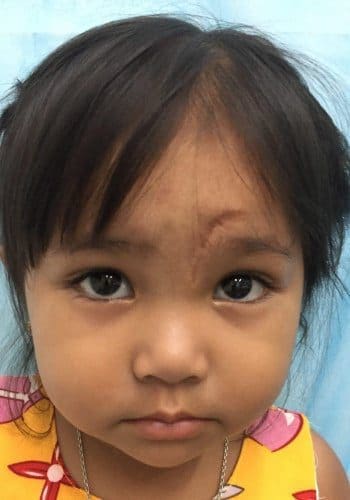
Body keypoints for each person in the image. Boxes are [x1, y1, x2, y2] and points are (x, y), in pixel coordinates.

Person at [0, 13, 349, 500]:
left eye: (239, 285)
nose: (172, 358)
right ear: (20, 274)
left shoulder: (311, 478)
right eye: (105, 282)